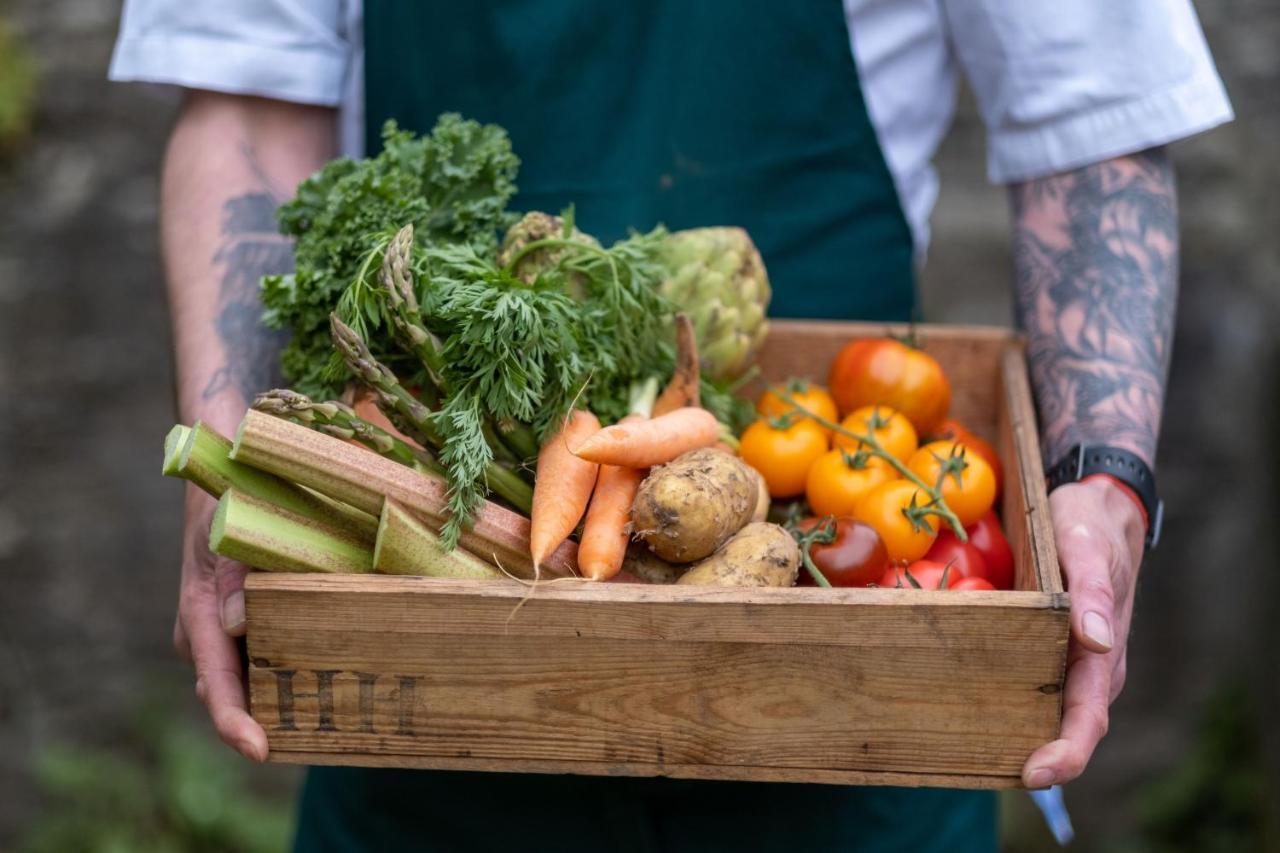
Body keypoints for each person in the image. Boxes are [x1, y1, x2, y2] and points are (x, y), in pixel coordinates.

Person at [110, 2, 1232, 851]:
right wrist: (237, 465)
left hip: (860, 713)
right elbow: (246, 105)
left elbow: (1094, 127)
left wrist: (1099, 473)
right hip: (426, 692)